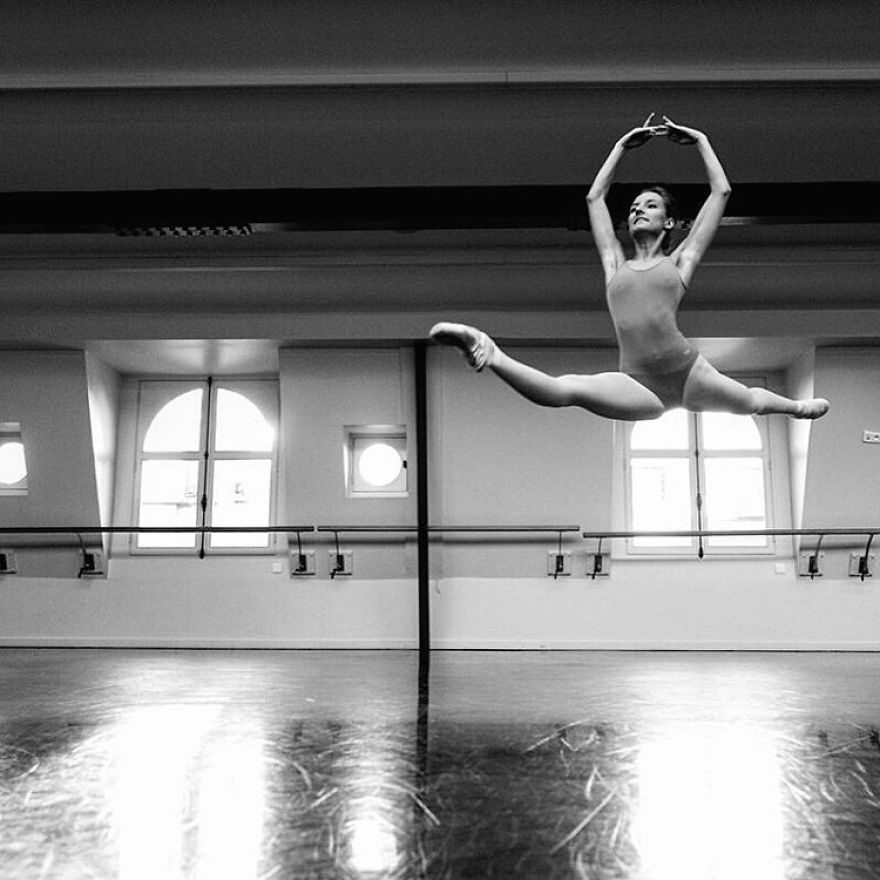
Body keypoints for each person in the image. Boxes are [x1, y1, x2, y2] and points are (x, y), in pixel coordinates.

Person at [430, 114, 829, 421]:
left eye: (650, 205)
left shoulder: (680, 263)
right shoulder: (614, 265)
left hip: (688, 372)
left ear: (670, 223)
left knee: (752, 404)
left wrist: (701, 141)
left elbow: (721, 191)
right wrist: (621, 146)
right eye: (635, 205)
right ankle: (488, 351)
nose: (638, 208)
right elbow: (594, 198)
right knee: (567, 390)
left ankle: (796, 408)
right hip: (639, 384)